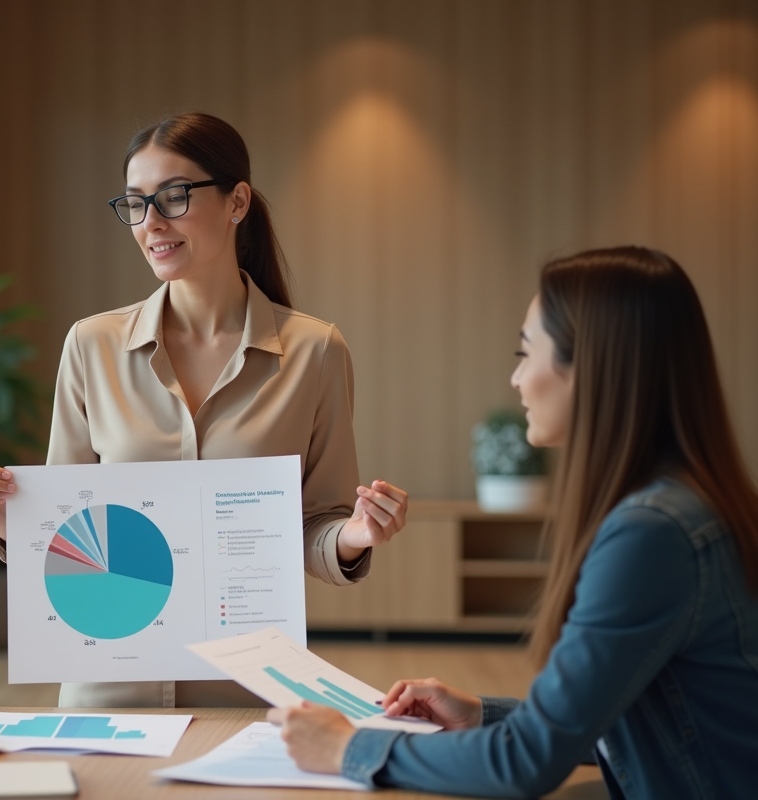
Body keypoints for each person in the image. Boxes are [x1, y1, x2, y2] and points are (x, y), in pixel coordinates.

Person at [0, 112, 409, 708]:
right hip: (109, 682)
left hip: (247, 688)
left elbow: (315, 526)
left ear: (237, 201)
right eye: (136, 203)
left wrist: (355, 534)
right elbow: (69, 528)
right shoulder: (91, 346)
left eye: (174, 196)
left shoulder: (316, 352)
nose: (151, 223)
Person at [268, 246, 758, 799]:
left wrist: (348, 748)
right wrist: (482, 713)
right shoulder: (693, 503)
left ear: (593, 368)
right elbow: (611, 715)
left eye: (526, 354)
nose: (516, 378)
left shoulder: (651, 534)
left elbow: (527, 762)